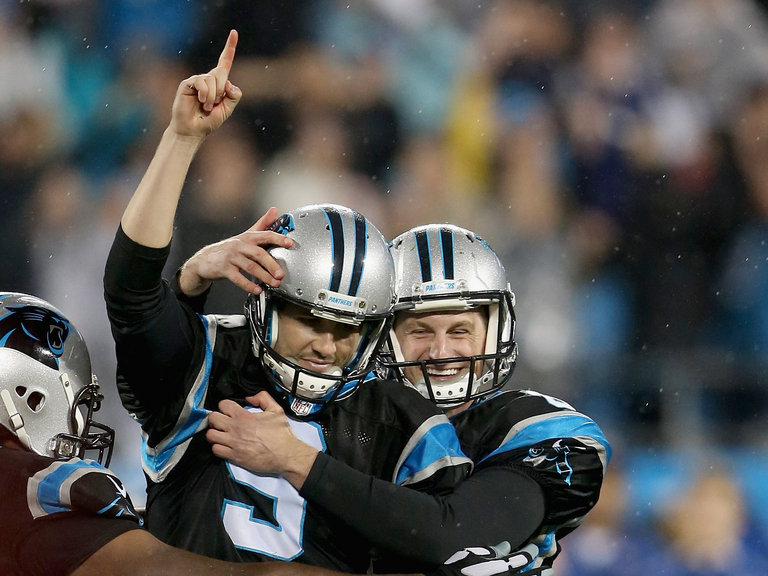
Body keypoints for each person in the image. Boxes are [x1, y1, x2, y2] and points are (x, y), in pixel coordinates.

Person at [103, 30, 473, 572]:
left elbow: (452, 543)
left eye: (347, 329)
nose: (326, 344)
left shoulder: (400, 418)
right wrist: (182, 141)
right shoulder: (210, 360)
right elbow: (130, 292)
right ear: (268, 302)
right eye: (309, 318)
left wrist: (299, 462)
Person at [204, 224, 611, 574]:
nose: (439, 352)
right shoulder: (340, 412)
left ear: (495, 331)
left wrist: (297, 460)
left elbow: (453, 538)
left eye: (460, 330)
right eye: (419, 331)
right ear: (379, 334)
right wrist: (192, 282)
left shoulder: (531, 426)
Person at [0, 291, 404, 576]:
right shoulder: (33, 488)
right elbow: (156, 570)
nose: (83, 426)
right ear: (29, 396)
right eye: (80, 405)